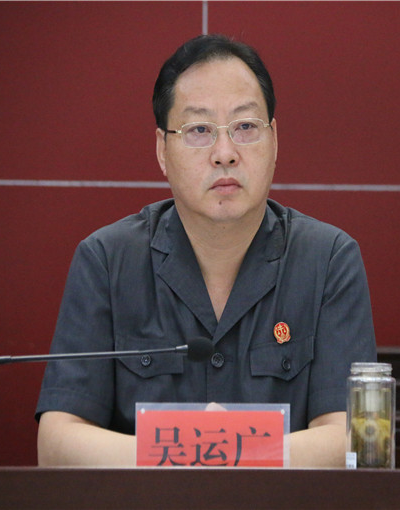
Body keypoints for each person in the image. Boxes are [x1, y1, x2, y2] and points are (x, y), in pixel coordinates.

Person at [36, 34, 376, 468]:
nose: (225, 153)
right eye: (199, 130)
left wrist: (222, 448)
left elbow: (352, 440)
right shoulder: (106, 260)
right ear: (162, 150)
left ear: (274, 140)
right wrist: (203, 449)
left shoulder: (328, 260)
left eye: (245, 127)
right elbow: (58, 443)